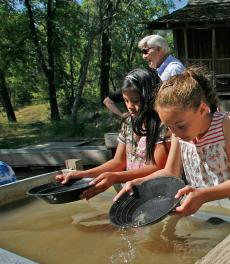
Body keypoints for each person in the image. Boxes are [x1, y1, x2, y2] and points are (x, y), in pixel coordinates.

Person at [114, 67, 230, 216]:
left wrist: (203, 195)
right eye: (169, 126)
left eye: (181, 125)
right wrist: (140, 182)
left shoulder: (227, 124)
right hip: (213, 205)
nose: (174, 133)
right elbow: (170, 172)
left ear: (202, 110)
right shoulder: (178, 133)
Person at [56, 68, 169, 199]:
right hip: (133, 192)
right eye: (126, 101)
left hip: (158, 194)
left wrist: (115, 177)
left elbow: (157, 168)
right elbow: (118, 162)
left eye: (136, 101)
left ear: (150, 97)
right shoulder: (128, 123)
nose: (130, 106)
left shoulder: (162, 125)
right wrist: (82, 174)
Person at [104, 34, 185, 118]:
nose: (143, 56)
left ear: (159, 49)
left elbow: (177, 104)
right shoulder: (160, 70)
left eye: (145, 51)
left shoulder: (174, 69)